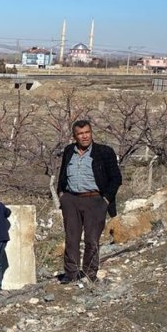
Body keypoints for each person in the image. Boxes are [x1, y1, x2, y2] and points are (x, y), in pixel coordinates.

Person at [56, 120, 122, 284]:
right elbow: (63, 173)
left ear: (91, 133)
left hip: (95, 200)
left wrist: (106, 199)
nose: (84, 136)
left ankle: (89, 273)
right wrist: (62, 194)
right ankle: (70, 273)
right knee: (71, 238)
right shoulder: (69, 151)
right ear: (75, 136)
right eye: (80, 133)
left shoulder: (104, 152)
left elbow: (116, 178)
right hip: (71, 199)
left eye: (87, 132)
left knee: (92, 240)